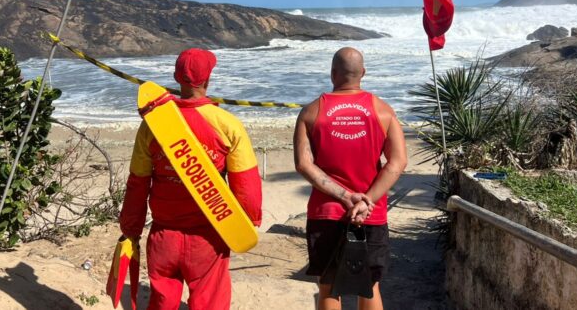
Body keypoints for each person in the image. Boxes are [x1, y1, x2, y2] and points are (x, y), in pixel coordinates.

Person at [119, 48, 262, 310]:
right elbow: (246, 184)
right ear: (208, 78)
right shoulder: (227, 124)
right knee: (210, 303)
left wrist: (131, 228)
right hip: (208, 236)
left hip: (163, 236)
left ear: (176, 77)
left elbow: (137, 183)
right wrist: (249, 222)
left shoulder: (152, 125)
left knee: (162, 302)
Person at [294, 47, 408, 310]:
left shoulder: (311, 112)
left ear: (332, 73)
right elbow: (398, 162)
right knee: (370, 286)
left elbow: (303, 164)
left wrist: (345, 196)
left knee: (328, 285)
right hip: (370, 213)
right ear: (363, 73)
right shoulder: (383, 111)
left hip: (326, 212)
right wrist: (367, 200)